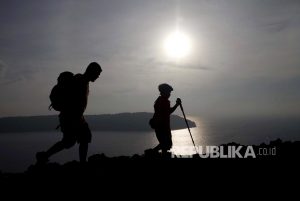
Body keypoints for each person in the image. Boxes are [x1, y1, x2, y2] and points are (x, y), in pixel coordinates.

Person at [36, 62, 102, 164]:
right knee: (69, 142)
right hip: (70, 118)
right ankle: (44, 156)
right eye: (97, 74)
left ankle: (45, 156)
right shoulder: (79, 80)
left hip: (77, 118)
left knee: (81, 138)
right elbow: (70, 99)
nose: (98, 77)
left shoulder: (84, 81)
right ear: (91, 71)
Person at [149, 83, 181, 157]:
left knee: (165, 145)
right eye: (169, 92)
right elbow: (168, 112)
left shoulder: (160, 100)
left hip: (160, 126)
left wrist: (176, 105)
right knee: (166, 144)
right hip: (163, 126)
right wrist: (177, 104)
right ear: (164, 92)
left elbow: (167, 112)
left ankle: (153, 153)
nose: (169, 94)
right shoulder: (164, 101)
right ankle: (152, 153)